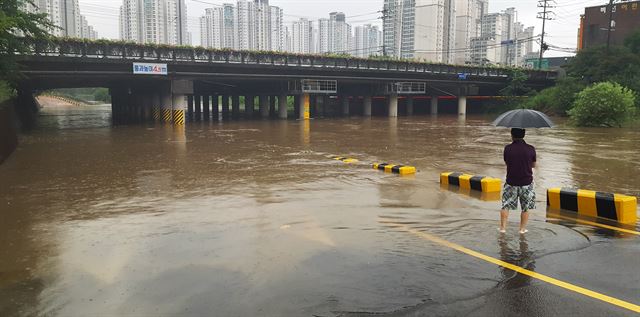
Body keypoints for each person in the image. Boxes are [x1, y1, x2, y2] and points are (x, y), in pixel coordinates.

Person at [500, 128, 536, 234]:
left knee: (505, 205)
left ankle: (503, 229)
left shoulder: (508, 148)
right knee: (525, 208)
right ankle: (522, 229)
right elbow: (533, 165)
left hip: (511, 181)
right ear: (524, 135)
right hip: (527, 183)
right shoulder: (531, 148)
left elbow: (507, 162)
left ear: (512, 135)